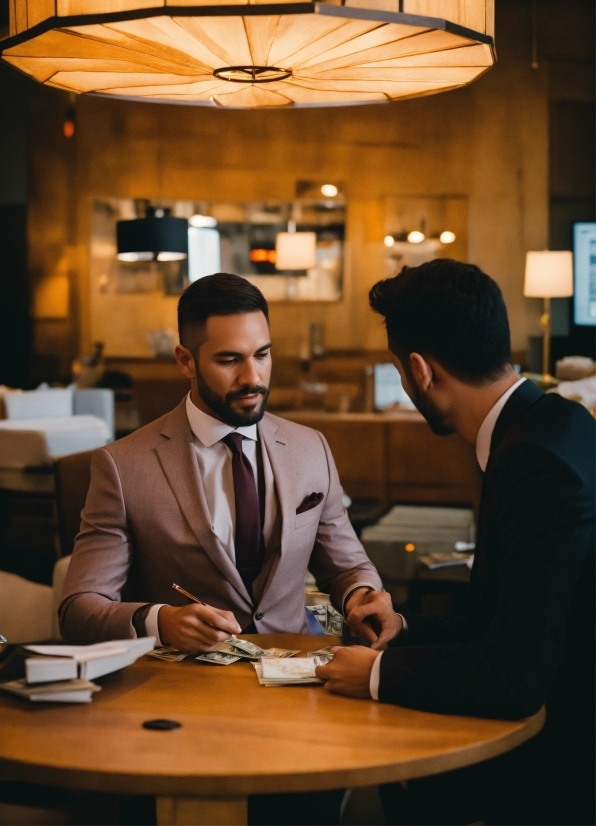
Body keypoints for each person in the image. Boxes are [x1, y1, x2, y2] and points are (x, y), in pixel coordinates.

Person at [316, 259, 595, 825]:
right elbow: (509, 619)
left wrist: (372, 675)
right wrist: (405, 628)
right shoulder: (558, 422)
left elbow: (513, 675)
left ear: (419, 369)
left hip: (563, 768)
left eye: (398, 369)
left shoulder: (530, 464)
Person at [59, 273, 397, 655]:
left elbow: (346, 567)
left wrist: (363, 595)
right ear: (186, 361)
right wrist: (159, 621)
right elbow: (78, 610)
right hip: (183, 685)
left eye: (262, 355)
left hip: (294, 672)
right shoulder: (122, 466)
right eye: (229, 360)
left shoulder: (310, 448)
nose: (252, 378)